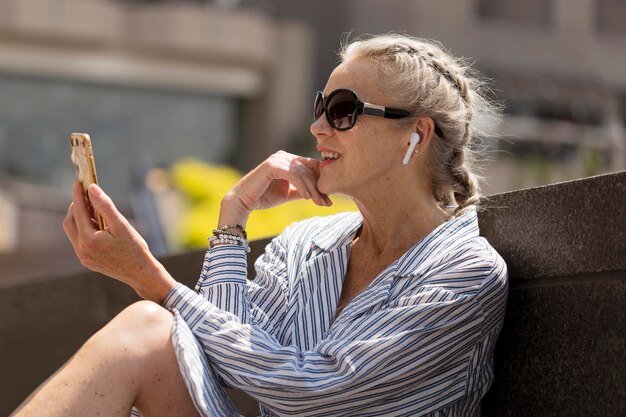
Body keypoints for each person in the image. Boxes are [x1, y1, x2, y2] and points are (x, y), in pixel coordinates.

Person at [12, 33, 507, 417]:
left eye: (342, 112)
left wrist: (149, 278)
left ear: (416, 137)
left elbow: (315, 391)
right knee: (148, 330)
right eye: (321, 108)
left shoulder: (467, 272)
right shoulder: (308, 243)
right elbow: (219, 358)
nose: (317, 128)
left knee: (152, 314)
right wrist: (232, 217)